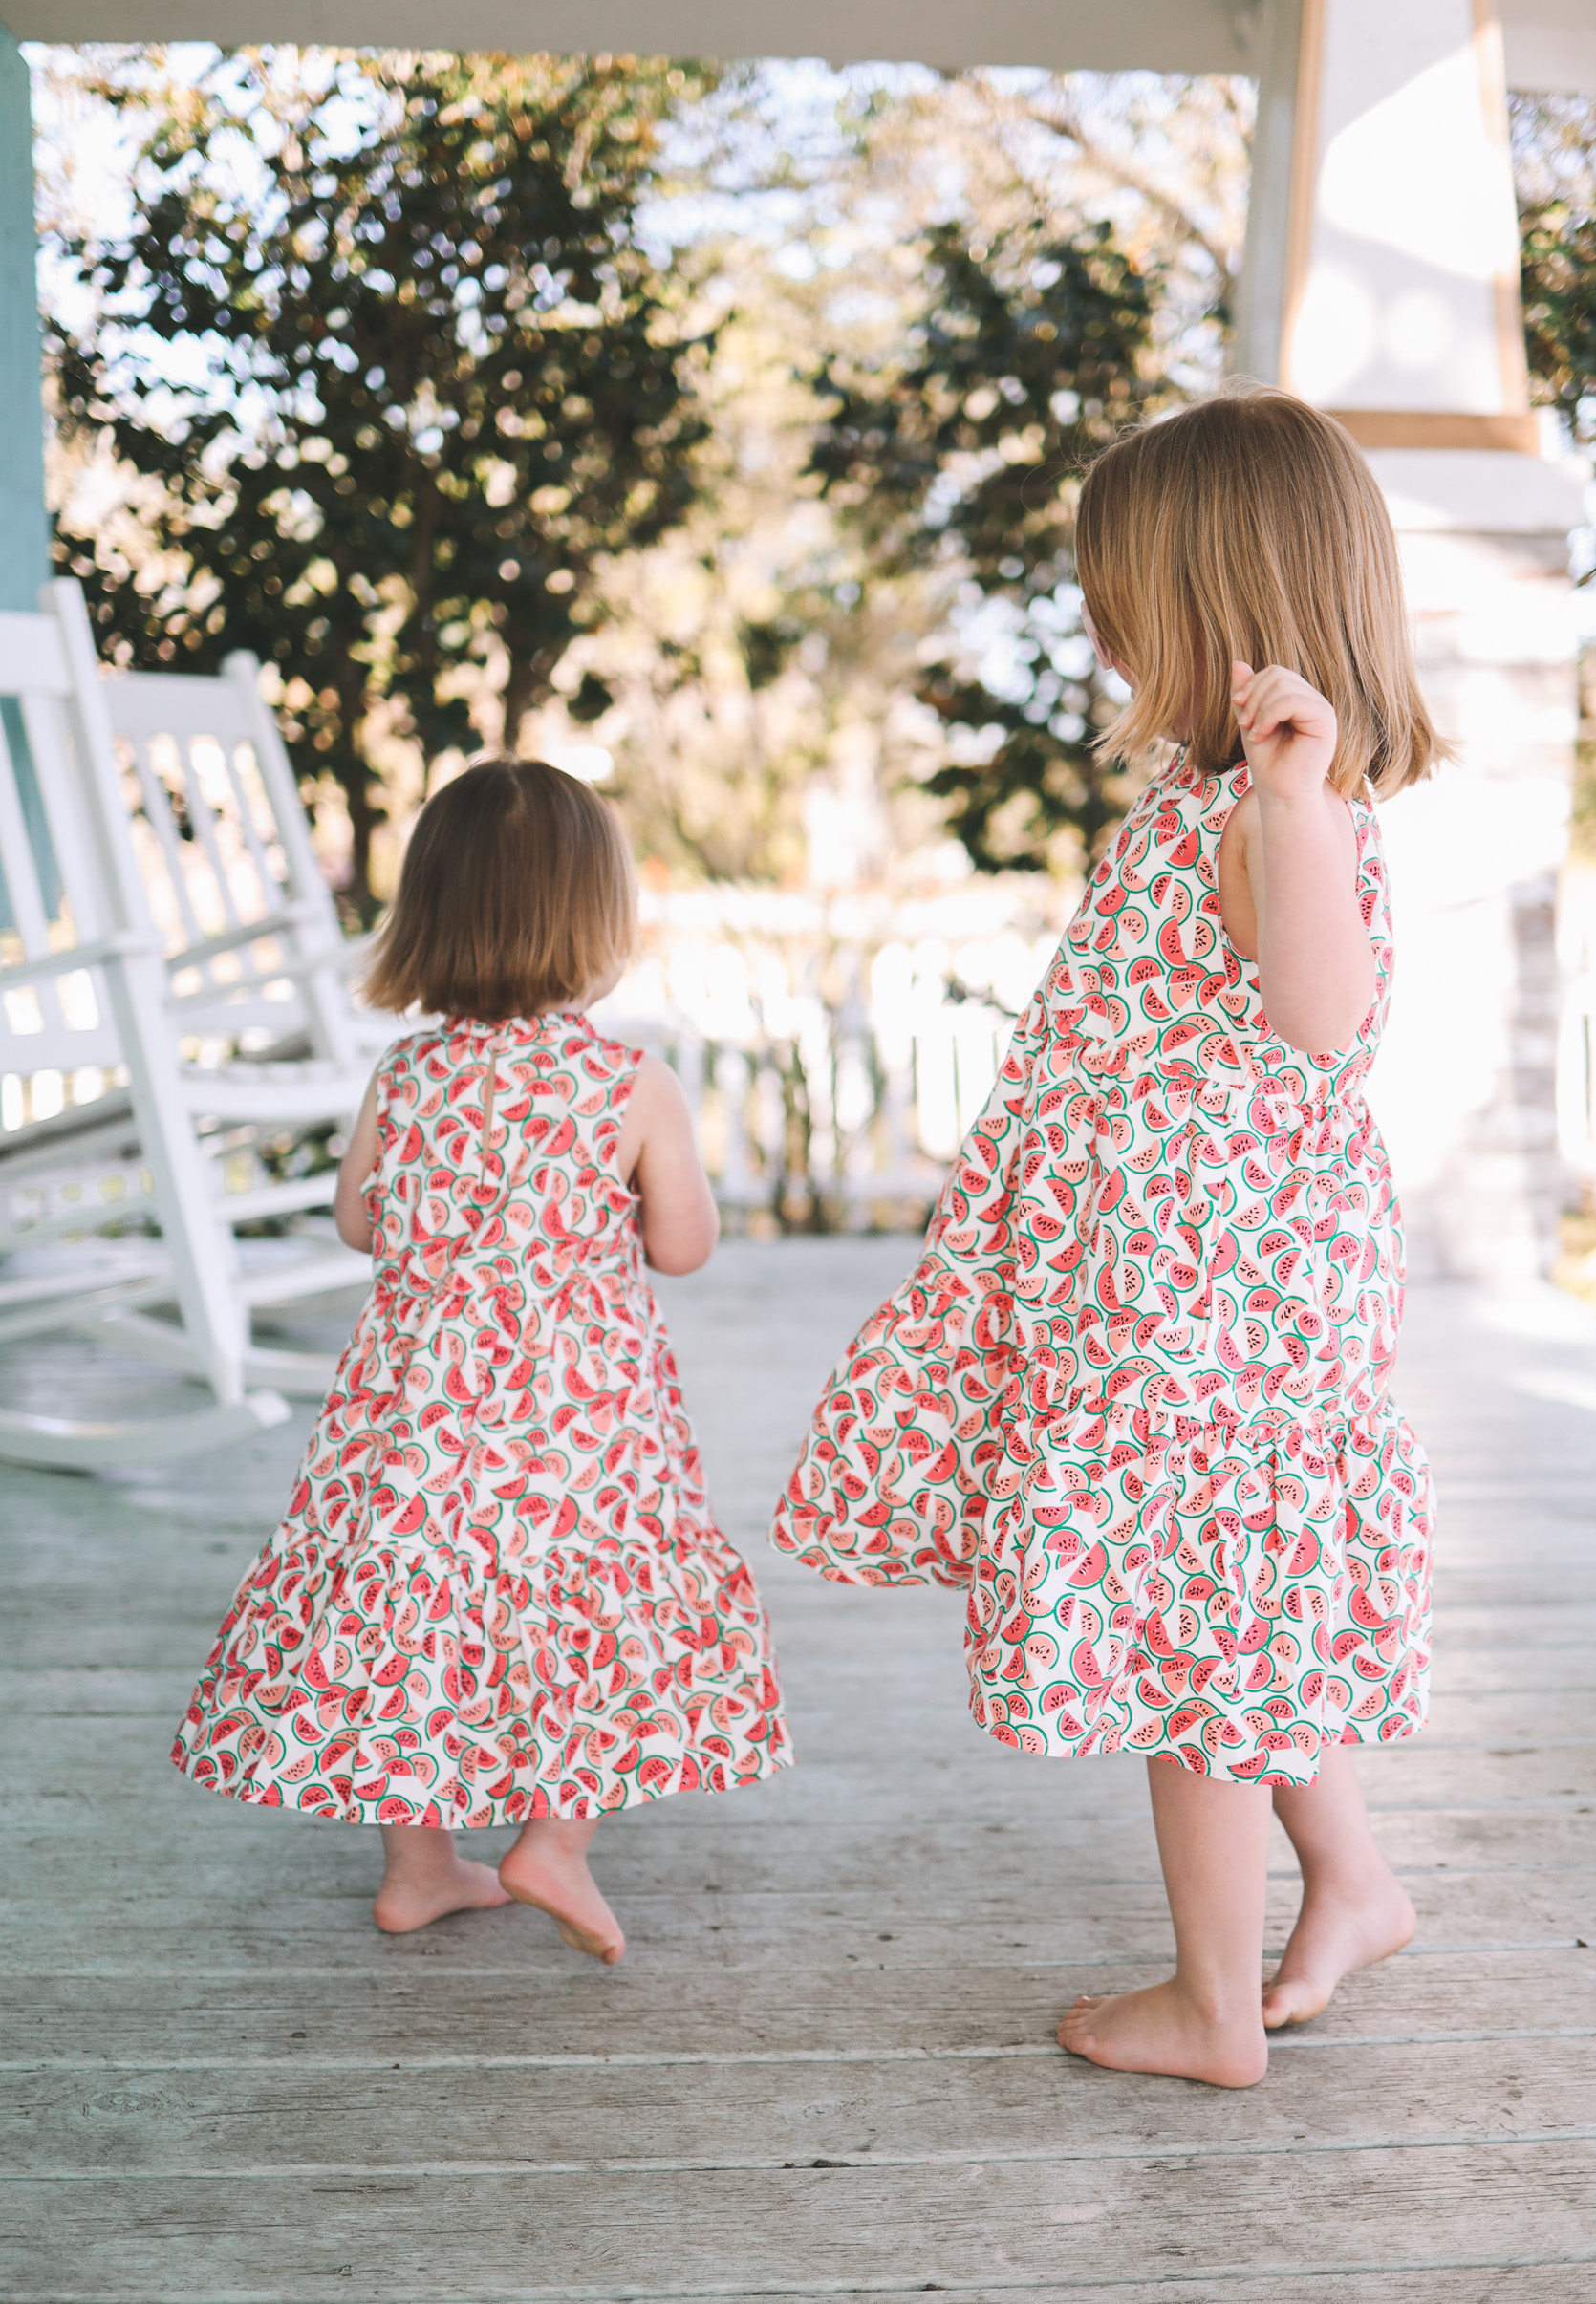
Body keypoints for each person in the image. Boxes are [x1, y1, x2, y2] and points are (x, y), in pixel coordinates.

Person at [772, 389, 1443, 2083]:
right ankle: (1352, 1880)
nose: (1100, 626)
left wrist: (1291, 804)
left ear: (1219, 601)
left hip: (1209, 1325)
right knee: (1233, 1610)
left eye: (1120, 595)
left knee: (1191, 1649)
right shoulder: (1197, 800)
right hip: (1151, 1302)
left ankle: (1214, 2011)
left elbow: (1321, 1025)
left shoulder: (1291, 813)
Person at [173, 760, 791, 1963]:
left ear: (432, 919)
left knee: (415, 1616)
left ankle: (420, 1870)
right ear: (595, 921)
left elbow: (359, 1224)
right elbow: (685, 1244)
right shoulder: (628, 1082)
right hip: (577, 1433)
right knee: (591, 1611)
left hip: (413, 1429)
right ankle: (552, 1843)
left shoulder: (403, 1076)